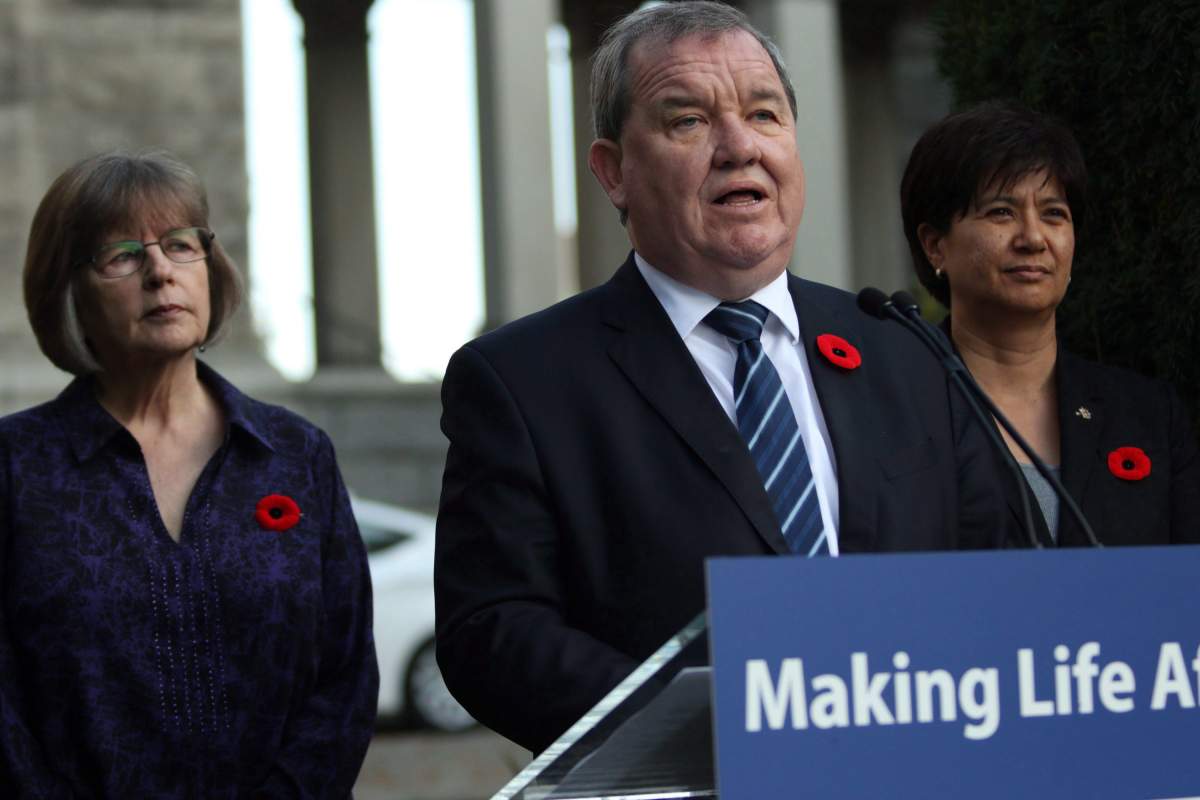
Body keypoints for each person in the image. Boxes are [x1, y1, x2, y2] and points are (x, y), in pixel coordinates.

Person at [435, 1, 1010, 755]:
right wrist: (716, 723)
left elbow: (997, 581)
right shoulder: (521, 381)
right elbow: (494, 632)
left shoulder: (906, 351)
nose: (740, 147)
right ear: (614, 172)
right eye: (688, 122)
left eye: (765, 115)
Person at [0, 150, 378, 797]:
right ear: (69, 292)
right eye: (121, 254)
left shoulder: (295, 453)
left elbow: (343, 677)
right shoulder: (16, 465)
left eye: (180, 245)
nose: (159, 273)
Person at [901, 101, 1200, 547]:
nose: (1033, 238)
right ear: (934, 246)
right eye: (1002, 212)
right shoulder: (895, 411)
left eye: (1054, 213)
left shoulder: (1149, 416)